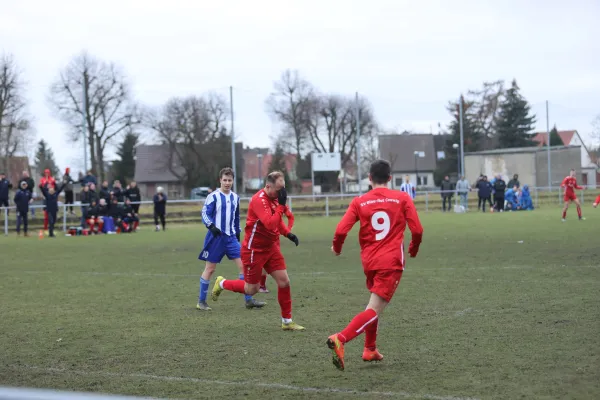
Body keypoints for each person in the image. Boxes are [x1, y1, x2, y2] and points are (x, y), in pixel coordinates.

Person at [327, 159, 423, 371]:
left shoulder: (359, 201)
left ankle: (370, 349)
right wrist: (413, 249)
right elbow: (417, 230)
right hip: (390, 262)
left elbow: (341, 230)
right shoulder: (402, 198)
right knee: (375, 309)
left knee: (373, 305)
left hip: (370, 262)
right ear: (390, 178)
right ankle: (340, 338)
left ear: (369, 178)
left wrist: (337, 248)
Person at [211, 171, 305, 331]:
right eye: (279, 189)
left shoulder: (275, 198)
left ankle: (287, 321)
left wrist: (288, 234)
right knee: (251, 289)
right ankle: (222, 283)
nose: (282, 193)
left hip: (271, 248)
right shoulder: (258, 200)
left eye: (284, 189)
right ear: (268, 186)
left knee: (284, 282)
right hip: (254, 250)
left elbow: (278, 222)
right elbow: (270, 223)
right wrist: (282, 207)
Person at [197, 167, 265, 311]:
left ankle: (248, 300)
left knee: (244, 267)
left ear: (233, 181)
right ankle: (201, 302)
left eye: (230, 180)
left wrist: (238, 232)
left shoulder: (235, 197)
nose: (227, 183)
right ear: (220, 180)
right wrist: (211, 226)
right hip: (216, 238)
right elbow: (205, 213)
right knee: (210, 269)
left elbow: (236, 217)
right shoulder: (214, 196)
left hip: (231, 238)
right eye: (225, 180)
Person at [260, 205, 295, 293]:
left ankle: (262, 285)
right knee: (264, 261)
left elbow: (290, 217)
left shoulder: (281, 204)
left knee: (272, 261)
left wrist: (288, 231)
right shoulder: (263, 203)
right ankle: (261, 285)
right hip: (264, 237)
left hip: (275, 238)